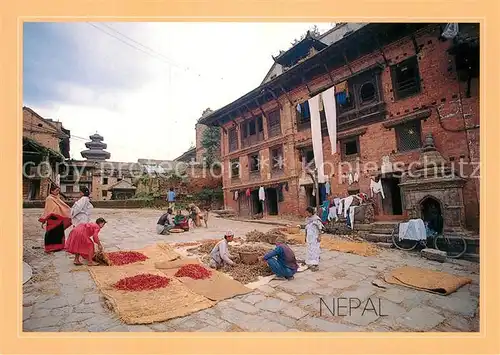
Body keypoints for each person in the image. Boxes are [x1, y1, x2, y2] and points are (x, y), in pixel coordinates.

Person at [39, 184, 72, 253]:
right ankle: (49, 248)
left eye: (58, 190)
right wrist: (44, 221)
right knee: (51, 233)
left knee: (59, 233)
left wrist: (66, 211)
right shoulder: (49, 198)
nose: (58, 192)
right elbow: (48, 210)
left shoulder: (57, 198)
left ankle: (58, 247)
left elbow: (62, 206)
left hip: (59, 218)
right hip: (52, 219)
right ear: (52, 191)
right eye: (56, 190)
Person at [305, 206, 323, 271]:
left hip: (314, 237)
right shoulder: (307, 219)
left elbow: (320, 229)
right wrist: (305, 236)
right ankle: (309, 262)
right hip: (309, 237)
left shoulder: (316, 219)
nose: (306, 214)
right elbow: (306, 228)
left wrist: (319, 236)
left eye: (307, 213)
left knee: (315, 249)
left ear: (311, 212)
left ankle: (315, 263)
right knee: (309, 249)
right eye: (306, 213)